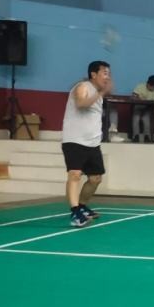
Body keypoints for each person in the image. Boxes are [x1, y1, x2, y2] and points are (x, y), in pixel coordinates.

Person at [62, 61, 112, 228]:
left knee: (95, 179)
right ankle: (75, 212)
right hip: (75, 140)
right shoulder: (82, 86)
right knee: (75, 175)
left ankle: (82, 206)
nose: (108, 76)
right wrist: (102, 93)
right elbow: (81, 104)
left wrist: (102, 93)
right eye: (105, 73)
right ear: (93, 74)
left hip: (93, 142)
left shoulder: (98, 93)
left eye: (108, 73)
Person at [106, 75, 154, 143]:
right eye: (150, 86)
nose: (151, 88)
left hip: (149, 109)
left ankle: (147, 136)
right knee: (136, 117)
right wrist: (139, 99)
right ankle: (135, 136)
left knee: (146, 119)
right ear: (147, 83)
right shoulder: (140, 86)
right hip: (138, 106)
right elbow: (133, 96)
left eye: (153, 87)